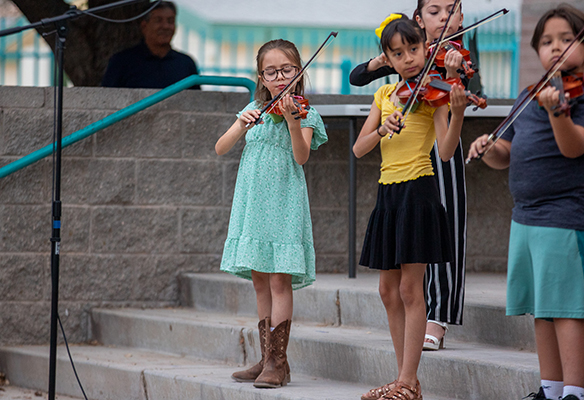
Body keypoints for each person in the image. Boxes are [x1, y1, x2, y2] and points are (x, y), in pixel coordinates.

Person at [468, 5, 584, 400]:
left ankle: (575, 390)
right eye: (547, 42)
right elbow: (506, 154)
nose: (556, 49)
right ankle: (550, 388)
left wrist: (557, 113)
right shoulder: (528, 95)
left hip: (564, 215)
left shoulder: (574, 97)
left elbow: (573, 148)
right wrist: (488, 149)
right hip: (525, 216)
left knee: (566, 308)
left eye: (567, 40)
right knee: (540, 306)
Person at [354, 14, 468, 400]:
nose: (409, 59)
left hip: (418, 191)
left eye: (414, 49)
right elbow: (358, 148)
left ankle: (406, 381)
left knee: (409, 288)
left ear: (424, 47)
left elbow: (448, 150)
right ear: (387, 58)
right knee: (387, 290)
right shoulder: (386, 96)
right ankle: (407, 381)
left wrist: (458, 112)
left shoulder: (432, 98)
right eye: (398, 53)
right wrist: (381, 128)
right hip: (388, 195)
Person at [215, 39, 327, 389]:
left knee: (279, 280)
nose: (280, 77)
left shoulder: (307, 113)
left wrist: (294, 121)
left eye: (287, 70)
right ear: (261, 77)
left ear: (299, 72)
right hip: (253, 204)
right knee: (260, 279)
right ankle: (265, 358)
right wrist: (240, 124)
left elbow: (301, 156)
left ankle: (278, 363)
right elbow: (220, 148)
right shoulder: (255, 110)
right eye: (271, 71)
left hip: (284, 202)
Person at [101, 1, 200, 89]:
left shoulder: (186, 64)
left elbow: (198, 104)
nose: (165, 26)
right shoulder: (122, 62)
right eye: (158, 20)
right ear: (144, 26)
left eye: (170, 21)